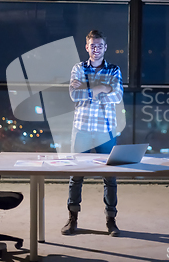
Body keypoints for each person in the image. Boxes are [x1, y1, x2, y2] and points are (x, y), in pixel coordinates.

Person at [61, 30, 123, 236]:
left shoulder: (114, 69)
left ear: (105, 47)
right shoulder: (78, 68)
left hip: (106, 130)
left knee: (110, 177)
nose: (96, 49)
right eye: (92, 46)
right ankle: (72, 219)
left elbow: (116, 96)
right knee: (76, 176)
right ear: (86, 47)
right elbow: (73, 95)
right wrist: (101, 87)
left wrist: (88, 88)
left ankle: (111, 220)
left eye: (100, 46)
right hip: (82, 130)